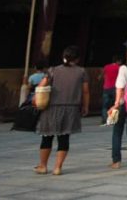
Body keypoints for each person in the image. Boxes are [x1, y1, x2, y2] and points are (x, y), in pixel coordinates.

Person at [34, 45, 89, 176]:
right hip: (71, 108)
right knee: (64, 138)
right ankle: (57, 167)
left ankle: (42, 166)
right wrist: (85, 106)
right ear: (77, 59)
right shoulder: (82, 72)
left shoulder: (53, 70)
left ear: (63, 57)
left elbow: (41, 86)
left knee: (47, 137)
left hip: (51, 108)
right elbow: (86, 91)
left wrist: (36, 100)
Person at [101, 54, 121, 124]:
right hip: (115, 89)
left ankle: (104, 120)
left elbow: (100, 76)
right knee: (114, 105)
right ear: (118, 61)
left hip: (106, 88)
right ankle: (112, 120)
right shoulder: (119, 68)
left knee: (105, 106)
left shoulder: (106, 67)